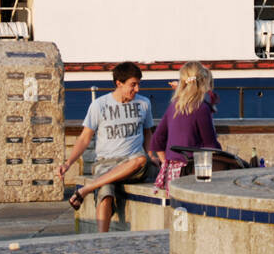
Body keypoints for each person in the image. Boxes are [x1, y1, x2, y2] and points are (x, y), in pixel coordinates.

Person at [60, 61, 153, 233]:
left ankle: (86, 189)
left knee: (140, 159)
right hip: (106, 163)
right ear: (119, 83)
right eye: (133, 85)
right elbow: (84, 139)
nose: (137, 89)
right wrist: (68, 163)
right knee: (106, 192)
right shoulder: (99, 105)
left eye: (138, 84)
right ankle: (102, 240)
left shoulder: (144, 104)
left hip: (134, 164)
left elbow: (148, 134)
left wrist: (153, 156)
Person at [151, 61, 220, 167]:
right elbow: (210, 145)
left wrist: (166, 163)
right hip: (192, 170)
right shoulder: (201, 108)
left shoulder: (175, 105)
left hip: (172, 172)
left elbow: (156, 140)